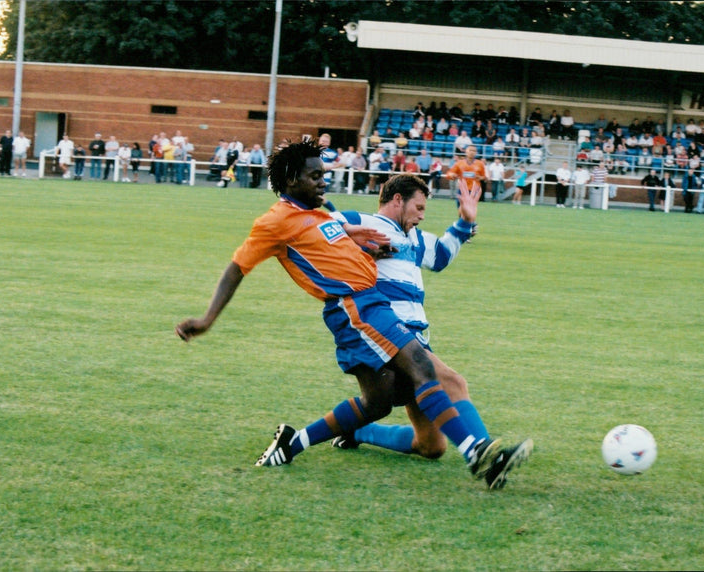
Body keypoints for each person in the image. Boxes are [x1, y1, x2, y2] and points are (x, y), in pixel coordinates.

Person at [175, 138, 526, 489]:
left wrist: (359, 238)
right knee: (422, 367)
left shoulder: (316, 213)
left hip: (369, 302)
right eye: (315, 176)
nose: (323, 181)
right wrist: (207, 319)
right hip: (353, 305)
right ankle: (476, 451)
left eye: (323, 174)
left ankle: (292, 443)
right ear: (292, 179)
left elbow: (333, 231)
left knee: (380, 405)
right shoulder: (275, 220)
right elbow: (238, 266)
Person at [329, 174, 532, 473]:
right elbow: (318, 225)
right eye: (419, 208)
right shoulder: (361, 221)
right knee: (453, 382)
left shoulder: (416, 238)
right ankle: (483, 452)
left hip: (416, 339)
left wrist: (464, 222)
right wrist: (350, 236)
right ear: (398, 200)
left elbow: (441, 256)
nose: (422, 216)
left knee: (431, 446)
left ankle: (355, 431)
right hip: (390, 335)